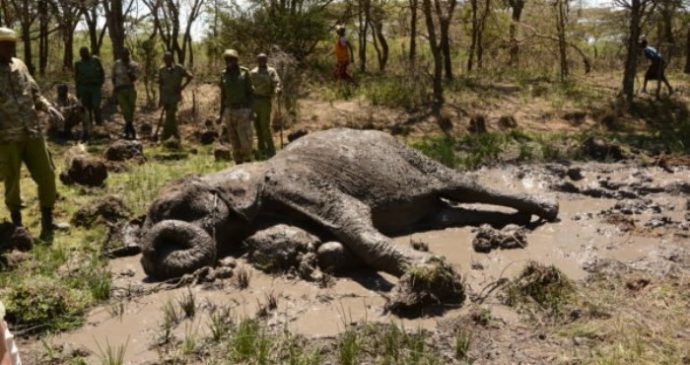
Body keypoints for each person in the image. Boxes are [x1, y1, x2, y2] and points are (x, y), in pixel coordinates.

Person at [0, 27, 66, 240]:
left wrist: (49, 108)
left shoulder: (20, 66)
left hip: (32, 132)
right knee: (13, 181)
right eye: (6, 45)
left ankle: (48, 221)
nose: (11, 49)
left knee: (47, 175)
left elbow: (35, 93)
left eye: (12, 45)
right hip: (7, 138)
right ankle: (18, 227)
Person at [219, 49, 254, 164]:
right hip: (229, 110)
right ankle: (238, 162)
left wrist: (252, 111)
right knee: (233, 139)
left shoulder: (244, 73)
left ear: (236, 60)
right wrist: (220, 114)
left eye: (231, 60)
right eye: (227, 60)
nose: (229, 62)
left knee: (245, 140)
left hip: (243, 110)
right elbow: (223, 96)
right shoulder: (223, 74)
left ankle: (247, 161)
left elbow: (251, 93)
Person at [250, 53, 282, 158]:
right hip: (254, 101)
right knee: (257, 126)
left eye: (264, 59)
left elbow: (276, 82)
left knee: (265, 126)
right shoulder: (253, 72)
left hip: (265, 100)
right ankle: (261, 150)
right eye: (260, 60)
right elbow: (248, 86)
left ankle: (271, 150)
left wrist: (277, 89)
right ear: (257, 60)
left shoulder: (271, 71)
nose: (262, 61)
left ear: (266, 60)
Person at [158, 51, 193, 142]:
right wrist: (160, 98)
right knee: (170, 116)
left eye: (168, 59)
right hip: (165, 96)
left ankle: (166, 136)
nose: (167, 61)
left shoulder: (178, 68)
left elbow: (190, 76)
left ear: (172, 59)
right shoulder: (162, 70)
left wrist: (182, 87)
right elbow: (160, 85)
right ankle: (174, 136)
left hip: (174, 96)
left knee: (170, 114)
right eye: (165, 59)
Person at [74, 47, 105, 137]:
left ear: (88, 52)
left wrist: (100, 83)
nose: (84, 54)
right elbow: (76, 78)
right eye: (82, 53)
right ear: (80, 54)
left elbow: (102, 72)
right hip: (83, 87)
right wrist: (78, 91)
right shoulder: (78, 63)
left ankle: (99, 126)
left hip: (95, 87)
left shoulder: (95, 60)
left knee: (96, 106)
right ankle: (89, 128)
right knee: (86, 109)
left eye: (85, 52)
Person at [112, 48, 140, 140]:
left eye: (126, 54)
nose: (125, 56)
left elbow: (134, 79)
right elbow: (113, 77)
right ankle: (131, 130)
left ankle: (128, 129)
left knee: (131, 110)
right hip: (120, 89)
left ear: (129, 54)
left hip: (130, 89)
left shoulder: (134, 65)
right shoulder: (116, 64)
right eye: (123, 54)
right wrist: (115, 88)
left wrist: (129, 71)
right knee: (125, 110)